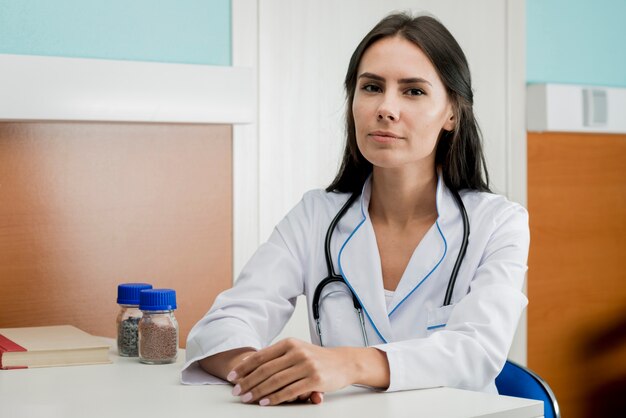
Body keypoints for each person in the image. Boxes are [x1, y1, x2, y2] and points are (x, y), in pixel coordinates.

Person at [181, 12, 529, 407]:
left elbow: (478, 350)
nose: (386, 108)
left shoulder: (499, 224)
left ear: (452, 112)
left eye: (413, 91)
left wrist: (348, 364)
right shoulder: (315, 216)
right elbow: (221, 326)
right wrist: (270, 375)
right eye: (371, 87)